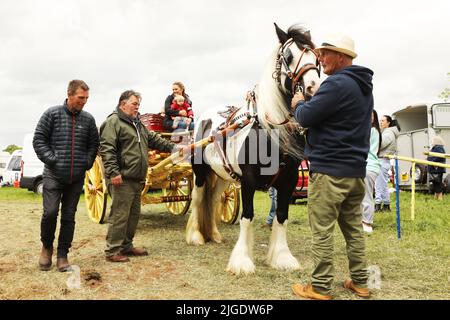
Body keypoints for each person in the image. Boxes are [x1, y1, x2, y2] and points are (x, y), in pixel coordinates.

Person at [290, 34, 373, 299]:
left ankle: (320, 287)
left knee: (322, 231)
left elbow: (306, 116)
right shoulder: (363, 87)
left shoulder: (335, 84)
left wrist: (299, 104)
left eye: (325, 53)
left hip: (329, 172)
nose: (320, 59)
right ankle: (360, 282)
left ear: (340, 56)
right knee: (354, 230)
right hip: (356, 172)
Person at [99, 90, 177, 262]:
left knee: (133, 215)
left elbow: (154, 139)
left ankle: (126, 246)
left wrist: (174, 148)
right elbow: (107, 149)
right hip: (121, 178)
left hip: (136, 178)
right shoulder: (113, 122)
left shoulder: (138, 124)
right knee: (120, 215)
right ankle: (112, 251)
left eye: (138, 104)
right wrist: (113, 172)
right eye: (134, 104)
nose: (137, 107)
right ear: (123, 104)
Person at [33, 79, 99, 272]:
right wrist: (52, 159)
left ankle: (63, 255)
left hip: (76, 177)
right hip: (53, 175)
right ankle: (46, 248)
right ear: (69, 94)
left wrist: (86, 162)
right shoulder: (51, 114)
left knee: (69, 217)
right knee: (50, 213)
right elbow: (39, 140)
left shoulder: (88, 119)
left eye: (86, 98)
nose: (84, 101)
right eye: (80, 97)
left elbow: (93, 144)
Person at [361, 110, 382, 233]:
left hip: (369, 166)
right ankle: (362, 220)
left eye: (371, 116)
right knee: (360, 196)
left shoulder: (371, 130)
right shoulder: (370, 130)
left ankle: (367, 222)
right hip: (365, 166)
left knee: (366, 196)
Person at [374, 115, 400, 212]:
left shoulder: (388, 133)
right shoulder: (387, 132)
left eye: (383, 121)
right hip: (384, 160)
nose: (380, 122)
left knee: (378, 184)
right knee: (383, 184)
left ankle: (377, 205)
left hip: (382, 159)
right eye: (380, 121)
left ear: (388, 123)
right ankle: (386, 205)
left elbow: (379, 145)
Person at [427, 136, 446, 200]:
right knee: (435, 183)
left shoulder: (438, 148)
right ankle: (436, 197)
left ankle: (440, 197)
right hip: (435, 169)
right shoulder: (436, 148)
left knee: (437, 183)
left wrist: (431, 161)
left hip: (436, 169)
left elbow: (439, 156)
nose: (432, 142)